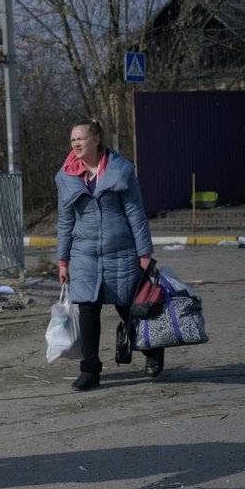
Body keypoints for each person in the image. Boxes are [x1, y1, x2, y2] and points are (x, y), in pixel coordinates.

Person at [56, 118, 164, 391]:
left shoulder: (120, 170)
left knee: (129, 309)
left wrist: (144, 253)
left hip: (121, 252)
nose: (76, 144)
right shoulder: (67, 177)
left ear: (96, 139)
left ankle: (152, 350)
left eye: (80, 138)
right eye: (72, 140)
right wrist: (63, 259)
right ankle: (90, 370)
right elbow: (65, 221)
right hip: (84, 255)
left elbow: (135, 213)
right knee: (88, 309)